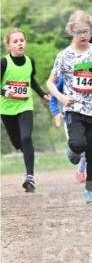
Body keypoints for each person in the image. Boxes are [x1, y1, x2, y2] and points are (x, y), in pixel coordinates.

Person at [47, 10, 92, 204]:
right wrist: (62, 97)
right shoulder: (64, 56)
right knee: (78, 143)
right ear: (71, 32)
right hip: (74, 108)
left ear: (91, 31)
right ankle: (73, 150)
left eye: (86, 31)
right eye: (78, 31)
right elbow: (50, 82)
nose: (82, 35)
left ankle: (91, 191)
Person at [1, 29, 51, 192]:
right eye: (15, 41)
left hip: (25, 106)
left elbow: (31, 80)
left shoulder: (30, 61)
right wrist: (4, 92)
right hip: (7, 108)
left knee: (26, 137)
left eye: (22, 40)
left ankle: (30, 177)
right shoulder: (3, 63)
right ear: (8, 45)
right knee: (18, 143)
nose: (20, 43)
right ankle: (26, 153)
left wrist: (43, 94)